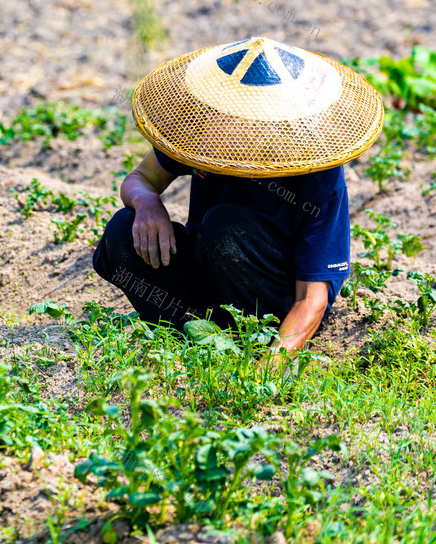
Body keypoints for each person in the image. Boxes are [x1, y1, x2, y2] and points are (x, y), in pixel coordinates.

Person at [93, 36, 383, 362]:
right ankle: (196, 336)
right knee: (122, 231)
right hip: (210, 277)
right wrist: (147, 203)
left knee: (224, 225)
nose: (232, 127)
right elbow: (141, 179)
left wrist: (271, 366)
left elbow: (311, 299)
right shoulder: (204, 132)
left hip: (272, 303)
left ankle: (249, 344)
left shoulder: (317, 173)